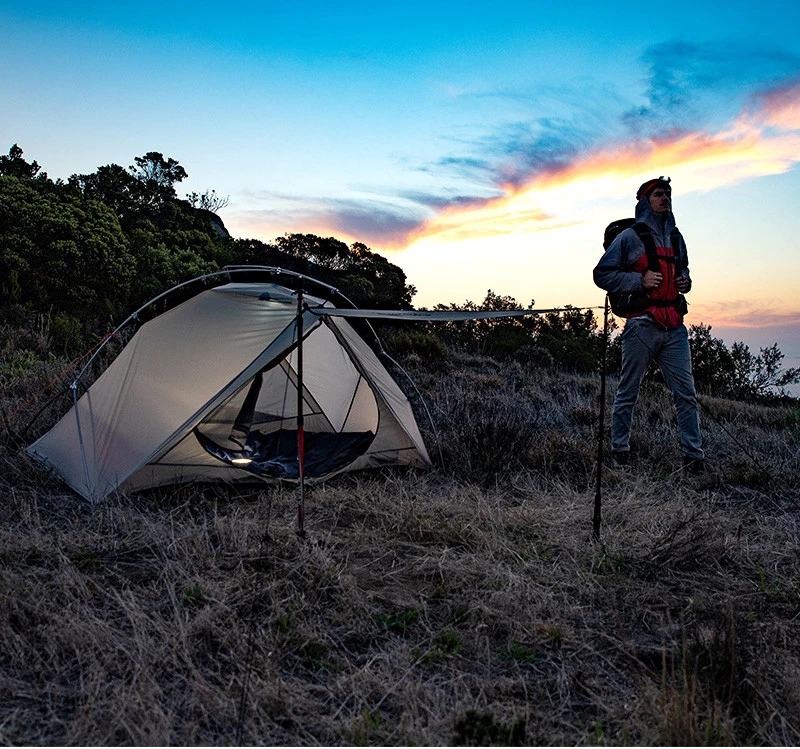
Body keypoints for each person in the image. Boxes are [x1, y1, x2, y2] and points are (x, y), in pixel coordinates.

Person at [593, 177, 704, 472]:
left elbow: (685, 274)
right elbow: (602, 274)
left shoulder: (677, 237)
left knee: (686, 394)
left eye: (668, 193)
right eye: (658, 194)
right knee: (628, 390)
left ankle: (694, 457)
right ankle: (620, 451)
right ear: (645, 201)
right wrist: (638, 280)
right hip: (642, 324)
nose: (665, 198)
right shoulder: (629, 237)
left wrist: (686, 282)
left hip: (675, 326)